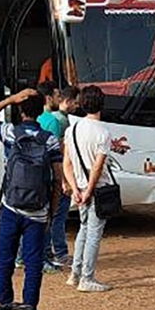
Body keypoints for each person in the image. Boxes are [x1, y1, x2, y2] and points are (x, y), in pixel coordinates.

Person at [0, 88, 63, 308]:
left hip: (11, 208)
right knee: (33, 265)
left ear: (20, 111)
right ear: (41, 112)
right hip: (37, 212)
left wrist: (10, 98)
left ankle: (6, 307)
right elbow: (58, 180)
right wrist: (52, 211)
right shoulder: (50, 140)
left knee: (5, 263)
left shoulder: (10, 132)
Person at [62, 85, 112, 292]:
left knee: (84, 229)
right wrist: (89, 191)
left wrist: (76, 189)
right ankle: (87, 277)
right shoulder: (103, 132)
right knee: (94, 234)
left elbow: (67, 163)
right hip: (96, 189)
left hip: (79, 187)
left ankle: (75, 274)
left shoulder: (71, 130)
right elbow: (98, 167)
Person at [40, 84, 79, 271]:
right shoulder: (57, 122)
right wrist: (64, 180)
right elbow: (58, 153)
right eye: (56, 95)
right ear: (49, 98)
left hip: (43, 176)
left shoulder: (42, 119)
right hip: (56, 175)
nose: (58, 97)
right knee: (57, 217)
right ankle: (58, 253)